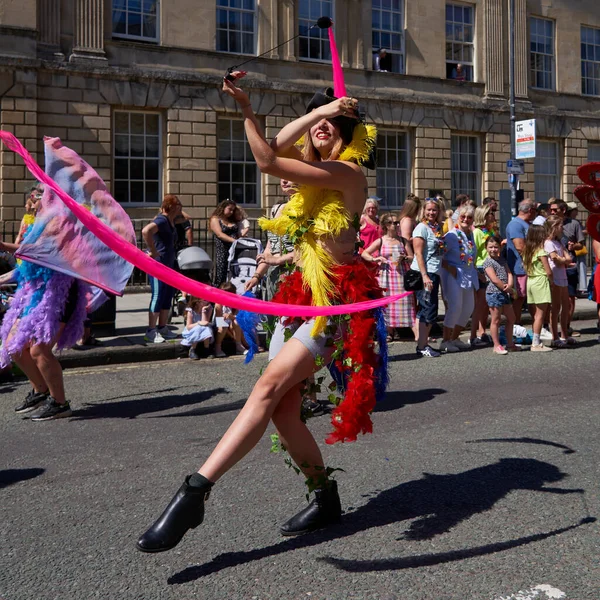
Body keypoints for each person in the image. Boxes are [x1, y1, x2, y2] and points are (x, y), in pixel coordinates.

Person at [136, 74, 384, 553]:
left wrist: (317, 115)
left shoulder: (349, 177)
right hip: (297, 302)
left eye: (335, 120)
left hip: (330, 309)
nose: (322, 125)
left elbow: (268, 159)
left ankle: (194, 493)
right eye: (318, 118)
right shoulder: (310, 177)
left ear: (351, 133)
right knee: (286, 415)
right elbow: (271, 149)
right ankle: (325, 497)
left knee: (267, 388)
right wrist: (250, 109)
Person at [361, 212, 415, 342]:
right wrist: (376, 258)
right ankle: (388, 332)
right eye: (391, 223)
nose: (395, 225)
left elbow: (412, 257)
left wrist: (405, 258)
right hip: (386, 275)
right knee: (387, 303)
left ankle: (412, 330)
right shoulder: (381, 240)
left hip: (401, 275)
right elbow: (364, 253)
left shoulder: (403, 240)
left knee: (405, 302)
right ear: (385, 225)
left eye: (396, 223)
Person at [245, 179, 296, 300]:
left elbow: (304, 252)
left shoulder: (309, 210)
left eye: (289, 176)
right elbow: (269, 249)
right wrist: (257, 276)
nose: (284, 180)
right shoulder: (276, 209)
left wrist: (277, 260)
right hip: (273, 277)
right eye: (281, 176)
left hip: (295, 275)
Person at [142, 195, 182, 344]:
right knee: (158, 295)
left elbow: (186, 217)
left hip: (168, 265)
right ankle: (151, 331)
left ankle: (162, 327)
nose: (181, 208)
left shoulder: (170, 220)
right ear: (173, 207)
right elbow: (146, 231)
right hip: (158, 265)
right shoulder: (162, 220)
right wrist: (152, 250)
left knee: (167, 296)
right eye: (178, 205)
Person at [439, 205, 478, 353]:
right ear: (458, 218)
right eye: (463, 217)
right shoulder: (451, 235)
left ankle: (455, 338)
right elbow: (440, 256)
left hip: (468, 274)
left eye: (469, 217)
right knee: (455, 307)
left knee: (468, 308)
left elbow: (470, 257)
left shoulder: (471, 235)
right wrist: (450, 269)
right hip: (453, 275)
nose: (466, 220)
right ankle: (445, 340)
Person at [409, 198, 444, 358]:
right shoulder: (421, 228)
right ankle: (422, 345)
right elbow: (418, 253)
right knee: (428, 309)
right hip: (424, 273)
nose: (431, 213)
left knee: (428, 309)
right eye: (429, 210)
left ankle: (423, 343)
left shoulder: (436, 228)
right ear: (423, 211)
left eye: (434, 210)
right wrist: (424, 276)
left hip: (433, 272)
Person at [549, 199, 584, 337]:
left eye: (555, 210)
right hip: (555, 268)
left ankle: (566, 327)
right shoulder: (549, 223)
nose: (551, 212)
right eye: (551, 210)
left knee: (569, 299)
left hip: (569, 267)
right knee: (554, 302)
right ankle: (553, 330)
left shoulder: (574, 224)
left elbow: (581, 245)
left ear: (563, 210)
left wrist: (573, 246)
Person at [482, 235, 519, 354]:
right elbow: (494, 279)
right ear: (486, 248)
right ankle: (496, 345)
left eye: (496, 247)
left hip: (505, 292)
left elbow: (509, 273)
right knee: (496, 320)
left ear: (500, 248)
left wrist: (510, 285)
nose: (493, 249)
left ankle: (510, 343)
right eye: (490, 247)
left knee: (511, 318)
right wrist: (507, 289)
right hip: (494, 293)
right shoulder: (487, 262)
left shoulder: (502, 260)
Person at [544, 216, 575, 348]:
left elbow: (568, 257)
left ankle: (564, 334)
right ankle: (555, 336)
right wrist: (564, 260)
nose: (562, 228)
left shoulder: (559, 243)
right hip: (555, 277)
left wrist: (563, 259)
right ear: (554, 227)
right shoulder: (548, 243)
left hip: (563, 276)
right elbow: (556, 259)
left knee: (566, 305)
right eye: (560, 226)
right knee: (555, 307)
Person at [505, 199, 536, 325]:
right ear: (530, 210)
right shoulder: (516, 224)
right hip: (520, 268)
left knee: (528, 298)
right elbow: (520, 246)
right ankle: (515, 325)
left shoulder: (526, 224)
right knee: (519, 298)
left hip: (527, 267)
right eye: (535, 210)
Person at [523, 225, 553, 352]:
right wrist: (551, 282)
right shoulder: (541, 251)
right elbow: (548, 271)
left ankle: (536, 340)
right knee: (540, 314)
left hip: (531, 280)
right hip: (540, 281)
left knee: (536, 314)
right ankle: (536, 343)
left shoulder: (527, 251)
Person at [470, 204, 496, 347]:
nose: (492, 216)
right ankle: (473, 335)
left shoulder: (490, 231)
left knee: (486, 304)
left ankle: (482, 332)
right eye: (489, 213)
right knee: (479, 304)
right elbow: (474, 254)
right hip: (481, 269)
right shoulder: (478, 232)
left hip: (490, 267)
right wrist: (476, 271)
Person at [210, 199, 239, 287]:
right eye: (229, 209)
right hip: (222, 250)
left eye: (233, 210)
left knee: (234, 273)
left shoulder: (232, 220)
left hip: (235, 250)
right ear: (223, 208)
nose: (231, 212)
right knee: (220, 274)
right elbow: (219, 234)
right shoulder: (215, 219)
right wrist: (234, 241)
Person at [213, 281, 246, 358]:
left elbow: (238, 316)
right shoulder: (219, 304)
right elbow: (218, 321)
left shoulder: (236, 302)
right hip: (221, 325)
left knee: (237, 322)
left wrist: (231, 317)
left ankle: (239, 346)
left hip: (231, 324)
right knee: (223, 326)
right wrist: (231, 335)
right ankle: (218, 347)